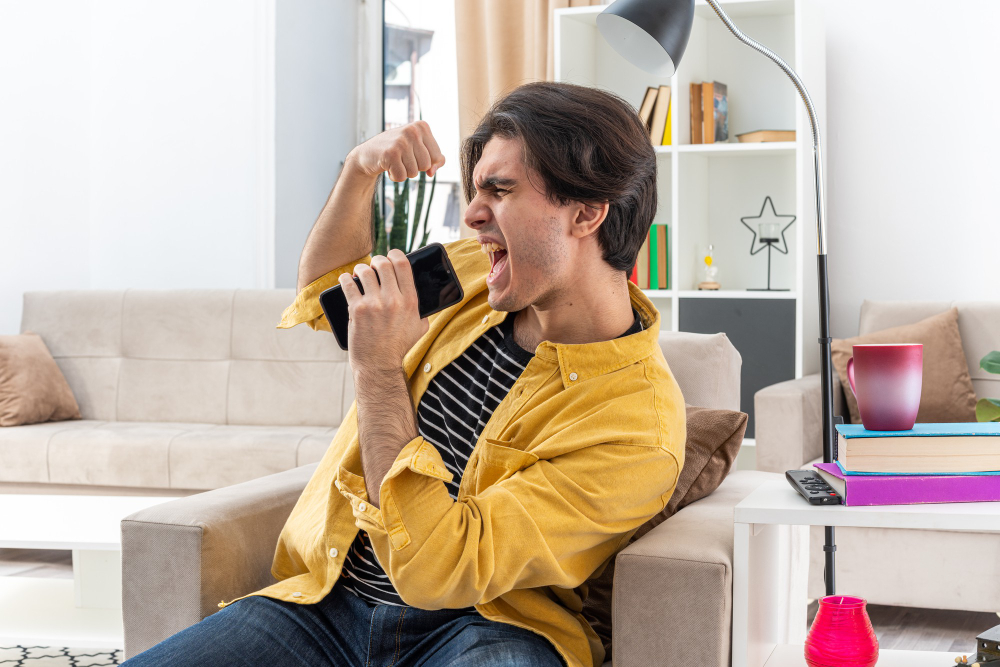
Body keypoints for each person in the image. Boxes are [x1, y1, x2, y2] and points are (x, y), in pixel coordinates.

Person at [122, 81, 686, 667]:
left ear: (588, 212)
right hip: (325, 606)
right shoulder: (471, 276)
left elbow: (437, 570)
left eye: (500, 190)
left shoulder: (638, 429)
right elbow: (330, 299)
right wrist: (359, 170)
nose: (471, 216)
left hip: (485, 629)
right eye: (475, 191)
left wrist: (377, 368)